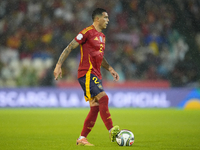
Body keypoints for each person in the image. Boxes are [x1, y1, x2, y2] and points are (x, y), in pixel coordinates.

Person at [53, 8, 120, 146]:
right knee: (104, 98)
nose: (108, 20)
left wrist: (110, 69)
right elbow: (69, 47)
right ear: (97, 19)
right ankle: (112, 130)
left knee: (95, 107)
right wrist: (58, 65)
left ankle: (82, 138)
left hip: (96, 74)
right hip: (87, 73)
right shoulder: (86, 32)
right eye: (105, 17)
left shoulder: (102, 37)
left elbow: (99, 57)